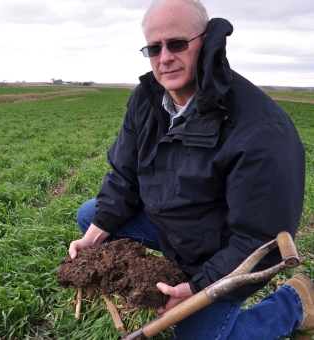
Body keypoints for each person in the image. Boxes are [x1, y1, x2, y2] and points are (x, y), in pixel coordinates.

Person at [68, 0, 312, 338]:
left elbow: (260, 241)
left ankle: (294, 303)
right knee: (91, 216)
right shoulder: (147, 99)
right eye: (154, 48)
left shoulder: (261, 131)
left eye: (177, 44)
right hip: (177, 230)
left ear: (207, 40)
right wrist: (92, 238)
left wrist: (198, 287)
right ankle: (174, 269)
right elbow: (124, 176)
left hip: (227, 252)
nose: (165, 57)